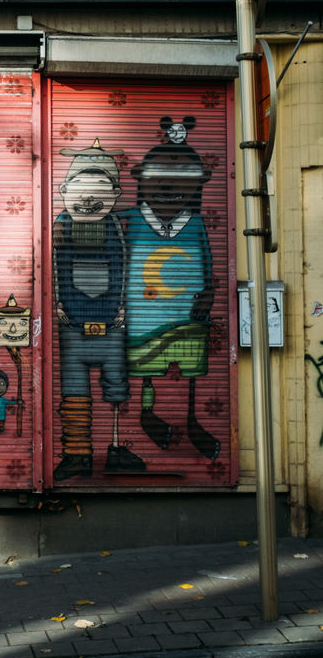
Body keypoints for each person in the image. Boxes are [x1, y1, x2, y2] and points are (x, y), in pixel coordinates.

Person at [121, 125, 219, 460]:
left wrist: (208, 294)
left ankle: (191, 419)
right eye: (158, 178)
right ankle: (147, 414)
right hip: (142, 319)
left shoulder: (195, 224)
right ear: (142, 180)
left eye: (182, 179)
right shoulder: (130, 220)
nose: (168, 187)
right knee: (146, 368)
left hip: (188, 316)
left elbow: (207, 262)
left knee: (188, 369)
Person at [52, 139, 144, 480]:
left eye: (100, 190)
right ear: (64, 191)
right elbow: (58, 267)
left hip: (110, 321)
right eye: (81, 189)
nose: (89, 199)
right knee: (74, 387)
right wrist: (58, 303)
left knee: (116, 385)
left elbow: (121, 267)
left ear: (116, 194)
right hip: (73, 321)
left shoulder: (113, 227)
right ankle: (77, 454)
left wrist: (120, 308)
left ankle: (117, 446)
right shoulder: (62, 224)